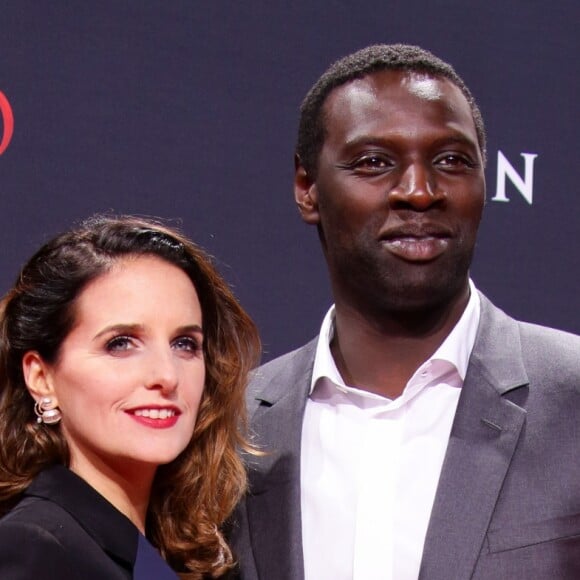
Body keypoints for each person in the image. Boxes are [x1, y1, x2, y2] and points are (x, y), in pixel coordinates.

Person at [229, 44, 580, 579]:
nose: (419, 192)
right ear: (307, 188)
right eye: (374, 162)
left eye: (451, 161)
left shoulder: (573, 396)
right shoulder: (234, 429)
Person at [0, 215, 260, 579]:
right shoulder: (33, 549)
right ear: (42, 378)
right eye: (120, 344)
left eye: (185, 344)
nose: (166, 376)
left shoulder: (177, 555)